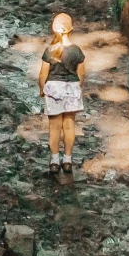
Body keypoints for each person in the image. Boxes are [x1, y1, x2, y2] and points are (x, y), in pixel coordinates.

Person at [38, 11, 85, 175]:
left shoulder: (49, 50)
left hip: (54, 89)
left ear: (54, 30)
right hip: (71, 88)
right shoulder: (77, 51)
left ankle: (54, 160)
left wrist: (42, 90)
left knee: (54, 127)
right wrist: (77, 88)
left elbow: (43, 74)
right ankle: (67, 160)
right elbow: (81, 75)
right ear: (71, 30)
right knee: (69, 125)